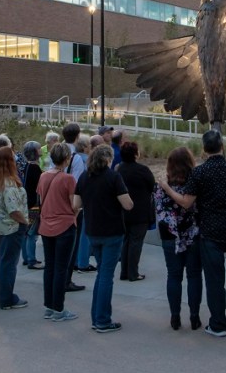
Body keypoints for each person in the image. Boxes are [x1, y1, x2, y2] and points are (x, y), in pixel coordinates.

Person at [160, 130, 226, 337]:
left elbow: (186, 202)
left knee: (215, 279)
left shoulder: (200, 173)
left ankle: (218, 323)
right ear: (222, 146)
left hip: (211, 231)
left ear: (204, 149)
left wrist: (166, 188)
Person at [74, 145, 133, 333]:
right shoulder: (113, 177)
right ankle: (102, 320)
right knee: (106, 276)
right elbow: (128, 204)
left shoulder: (84, 177)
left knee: (102, 274)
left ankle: (97, 317)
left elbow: (76, 204)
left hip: (93, 231)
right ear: (108, 159)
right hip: (112, 231)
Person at [153, 146, 202, 331]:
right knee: (194, 275)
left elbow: (159, 209)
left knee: (174, 275)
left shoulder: (162, 185)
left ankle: (175, 316)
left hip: (169, 235)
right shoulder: (195, 182)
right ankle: (194, 316)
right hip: (192, 233)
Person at [0, 146, 29, 310]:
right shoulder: (9, 184)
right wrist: (25, 222)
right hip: (10, 227)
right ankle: (7, 298)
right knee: (8, 262)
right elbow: (14, 210)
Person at [37, 143, 80, 321]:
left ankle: (49, 306)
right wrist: (76, 213)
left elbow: (40, 198)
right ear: (67, 158)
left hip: (46, 225)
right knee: (61, 268)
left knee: (50, 267)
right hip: (64, 224)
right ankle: (59, 308)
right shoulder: (68, 179)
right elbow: (74, 204)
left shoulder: (43, 176)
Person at [117, 141, 155, 282]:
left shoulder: (119, 169)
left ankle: (124, 272)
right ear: (135, 154)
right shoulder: (142, 170)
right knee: (136, 242)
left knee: (126, 240)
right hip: (140, 211)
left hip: (123, 211)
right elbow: (152, 186)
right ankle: (133, 273)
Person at [63, 122, 89, 291]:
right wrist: (76, 208)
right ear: (78, 136)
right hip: (71, 205)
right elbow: (77, 184)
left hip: (55, 202)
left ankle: (61, 279)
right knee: (71, 244)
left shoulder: (56, 151)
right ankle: (67, 280)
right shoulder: (75, 158)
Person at [21, 141, 44, 269]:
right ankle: (31, 259)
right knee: (32, 232)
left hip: (26, 203)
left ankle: (26, 257)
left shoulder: (27, 166)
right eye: (39, 148)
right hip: (34, 204)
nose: (41, 150)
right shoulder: (35, 168)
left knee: (26, 232)